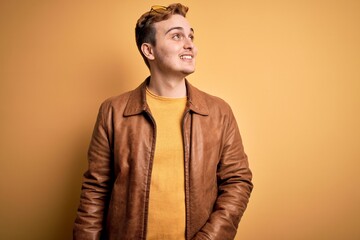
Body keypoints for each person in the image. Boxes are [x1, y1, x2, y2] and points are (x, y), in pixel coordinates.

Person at [73, 3, 253, 240]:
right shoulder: (113, 111)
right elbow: (95, 190)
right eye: (176, 36)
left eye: (190, 36)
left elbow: (238, 182)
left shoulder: (219, 112)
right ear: (149, 51)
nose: (190, 44)